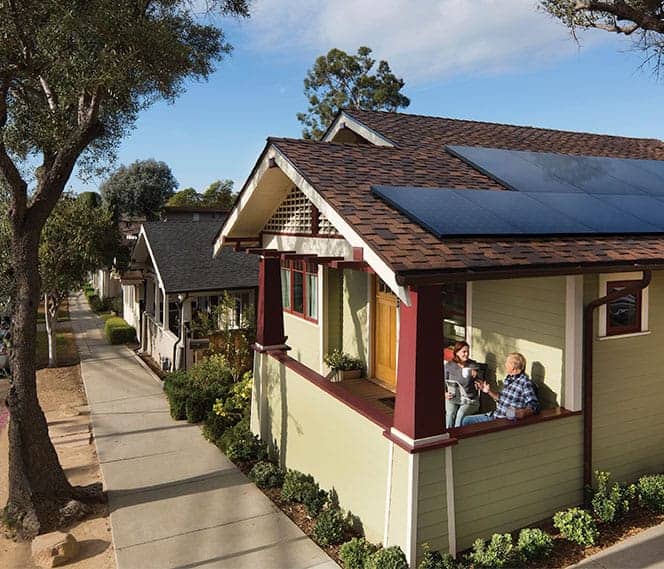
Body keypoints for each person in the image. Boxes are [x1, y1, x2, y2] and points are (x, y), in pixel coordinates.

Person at [461, 352, 539, 426]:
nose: (505, 364)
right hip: (495, 416)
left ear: (513, 367)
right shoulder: (509, 379)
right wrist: (488, 391)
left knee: (467, 423)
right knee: (466, 420)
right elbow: (501, 398)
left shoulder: (525, 383)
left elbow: (534, 405)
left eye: (507, 362)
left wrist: (523, 412)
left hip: (504, 422)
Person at [444, 341, 480, 428]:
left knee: (460, 414)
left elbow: (480, 381)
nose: (466, 354)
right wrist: (444, 394)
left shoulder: (472, 365)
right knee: (450, 414)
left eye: (468, 351)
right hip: (453, 397)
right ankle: (447, 434)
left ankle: (458, 436)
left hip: (469, 400)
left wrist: (477, 376)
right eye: (464, 352)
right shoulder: (449, 366)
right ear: (457, 352)